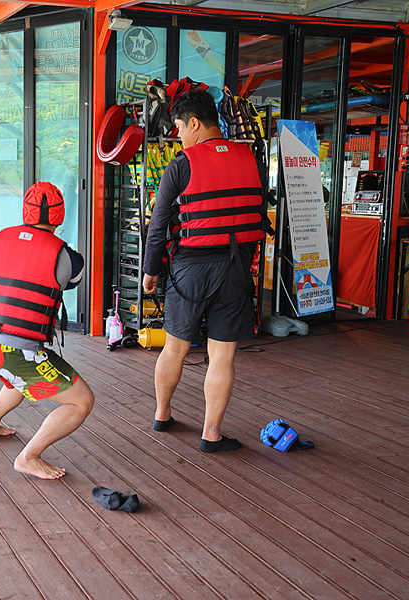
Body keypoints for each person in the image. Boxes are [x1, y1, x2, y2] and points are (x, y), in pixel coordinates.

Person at [141, 89, 268, 453]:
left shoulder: (182, 163)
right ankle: (211, 433)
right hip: (236, 269)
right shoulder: (252, 158)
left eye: (180, 127)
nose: (179, 134)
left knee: (175, 348)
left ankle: (163, 414)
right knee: (222, 355)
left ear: (194, 123)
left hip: (191, 269)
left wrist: (151, 271)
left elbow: (159, 223)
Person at [0, 182, 93, 479]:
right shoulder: (68, 257)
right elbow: (70, 280)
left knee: (17, 380)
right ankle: (29, 456)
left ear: (25, 210)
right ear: (60, 215)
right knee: (81, 401)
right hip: (19, 351)